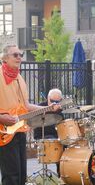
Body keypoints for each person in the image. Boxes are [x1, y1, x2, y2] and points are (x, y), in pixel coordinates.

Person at [0, 45, 59, 185]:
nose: (19, 57)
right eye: (15, 55)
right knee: (11, 176)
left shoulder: (19, 78)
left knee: (21, 176)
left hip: (20, 129)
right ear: (5, 58)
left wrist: (48, 108)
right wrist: (2, 118)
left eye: (20, 54)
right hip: (4, 131)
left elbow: (26, 106)